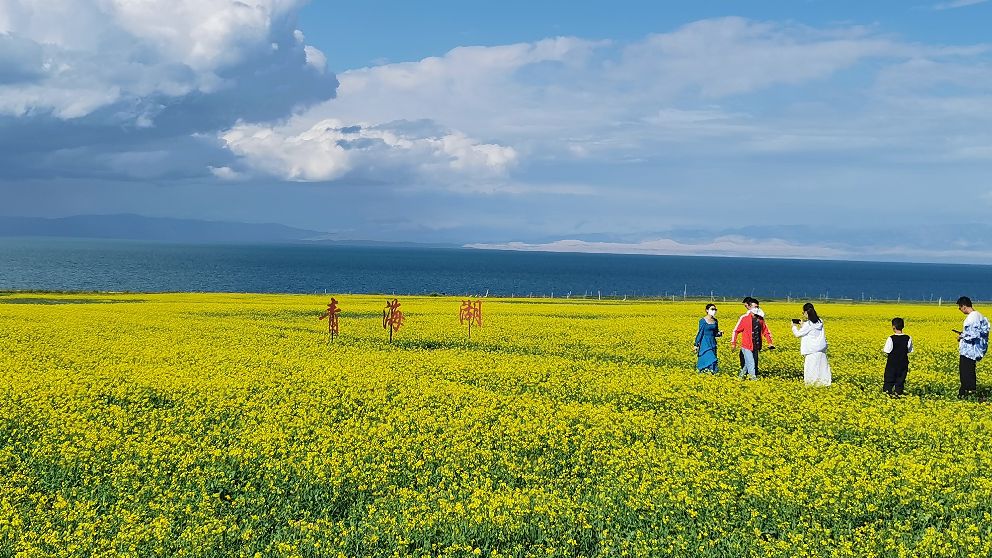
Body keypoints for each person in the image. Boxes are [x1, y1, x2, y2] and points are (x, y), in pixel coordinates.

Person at [731, 297, 775, 380]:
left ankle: (740, 378)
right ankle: (753, 378)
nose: (757, 309)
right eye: (755, 307)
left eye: (757, 307)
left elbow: (766, 331)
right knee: (751, 362)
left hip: (756, 345)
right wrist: (733, 343)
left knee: (749, 364)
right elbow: (736, 331)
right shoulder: (744, 318)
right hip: (746, 345)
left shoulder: (760, 319)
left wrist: (770, 342)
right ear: (750, 307)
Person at [956, 296, 990, 398]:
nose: (960, 310)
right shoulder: (980, 315)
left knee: (965, 372)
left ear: (964, 306)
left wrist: (962, 336)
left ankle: (967, 393)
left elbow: (973, 334)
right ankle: (970, 392)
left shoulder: (972, 317)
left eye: (960, 307)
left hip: (969, 350)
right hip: (975, 350)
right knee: (970, 371)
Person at [791, 302, 831, 386]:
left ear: (806, 312)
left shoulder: (808, 324)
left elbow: (798, 334)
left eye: (803, 313)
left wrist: (794, 326)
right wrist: (803, 325)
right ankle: (824, 384)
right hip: (821, 351)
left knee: (811, 370)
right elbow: (812, 332)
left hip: (811, 351)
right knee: (822, 369)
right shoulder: (820, 322)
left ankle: (812, 385)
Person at [882, 317, 913, 396]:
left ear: (893, 327)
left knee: (889, 380)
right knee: (900, 381)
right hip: (903, 364)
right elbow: (909, 350)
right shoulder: (908, 338)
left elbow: (886, 350)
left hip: (892, 364)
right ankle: (898, 395)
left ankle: (887, 396)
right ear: (903, 326)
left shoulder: (891, 338)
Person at [693, 303, 723, 373]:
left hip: (712, 343)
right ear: (707, 310)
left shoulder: (715, 321)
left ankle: (712, 375)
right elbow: (700, 333)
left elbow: (715, 333)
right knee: (709, 358)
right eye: (712, 309)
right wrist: (696, 344)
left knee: (713, 361)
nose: (714, 311)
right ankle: (704, 375)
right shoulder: (702, 321)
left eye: (715, 309)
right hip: (705, 343)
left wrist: (720, 333)